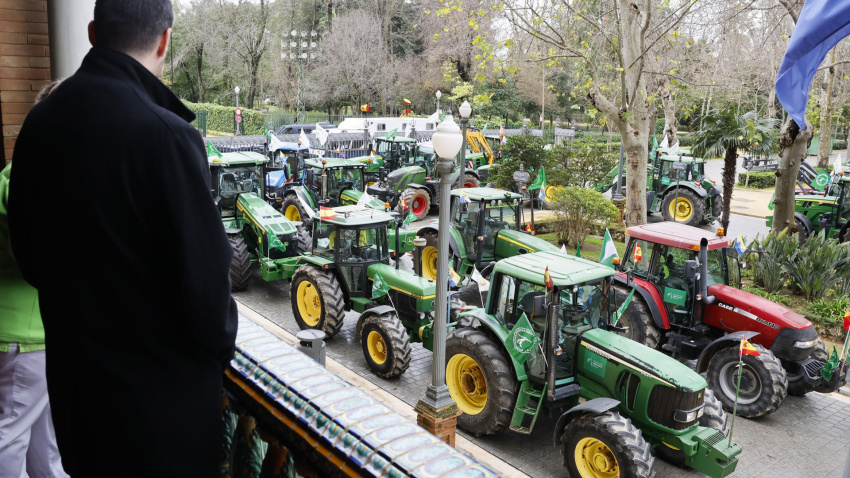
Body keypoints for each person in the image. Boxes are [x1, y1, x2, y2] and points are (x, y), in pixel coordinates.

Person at [8, 1, 238, 476]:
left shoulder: (38, 124)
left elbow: (31, 262)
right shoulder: (169, 137)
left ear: (92, 33)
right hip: (159, 426)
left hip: (77, 407)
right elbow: (208, 298)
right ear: (165, 40)